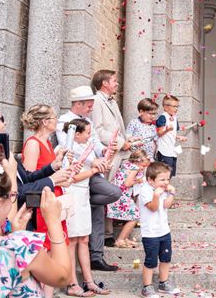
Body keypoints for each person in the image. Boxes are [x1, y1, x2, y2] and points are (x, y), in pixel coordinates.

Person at [0, 159, 71, 296]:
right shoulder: (18, 246)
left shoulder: (11, 243)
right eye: (11, 196)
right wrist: (54, 222)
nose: (13, 200)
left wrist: (13, 233)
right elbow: (63, 277)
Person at [57, 85, 122, 273]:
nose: (91, 108)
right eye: (88, 105)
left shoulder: (87, 121)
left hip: (93, 170)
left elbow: (94, 143)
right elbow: (70, 147)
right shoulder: (65, 121)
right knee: (113, 192)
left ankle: (96, 256)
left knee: (98, 209)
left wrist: (104, 151)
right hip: (79, 173)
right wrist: (96, 163)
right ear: (78, 104)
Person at [0, 104, 73, 209]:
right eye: (2, 119)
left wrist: (52, 166)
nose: (5, 122)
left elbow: (26, 177)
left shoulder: (0, 149)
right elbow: (16, 191)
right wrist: (52, 180)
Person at [21, 104, 70, 298]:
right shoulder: (33, 143)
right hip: (42, 200)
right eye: (54, 117)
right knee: (46, 249)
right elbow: (28, 179)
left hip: (53, 196)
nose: (56, 120)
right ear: (44, 122)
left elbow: (44, 169)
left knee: (54, 246)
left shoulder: (48, 143)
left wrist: (56, 164)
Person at [64, 119, 111, 296]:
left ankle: (89, 281)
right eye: (87, 132)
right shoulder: (69, 148)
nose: (90, 135)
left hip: (83, 193)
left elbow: (93, 167)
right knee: (73, 240)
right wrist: (92, 171)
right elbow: (71, 176)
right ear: (76, 134)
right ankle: (72, 283)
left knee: (84, 239)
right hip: (72, 193)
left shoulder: (86, 147)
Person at [90, 70, 131, 255]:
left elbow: (117, 129)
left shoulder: (112, 101)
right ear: (104, 83)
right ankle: (106, 234)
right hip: (109, 154)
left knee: (115, 190)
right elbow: (98, 131)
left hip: (118, 152)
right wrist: (122, 143)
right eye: (114, 80)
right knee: (107, 189)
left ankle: (109, 231)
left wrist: (128, 140)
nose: (117, 83)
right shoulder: (97, 101)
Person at [138, 161, 180, 297]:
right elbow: (153, 207)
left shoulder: (163, 190)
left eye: (168, 179)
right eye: (162, 179)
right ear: (150, 180)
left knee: (165, 258)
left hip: (164, 231)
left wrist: (171, 194)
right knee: (151, 260)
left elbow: (166, 205)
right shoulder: (145, 190)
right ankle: (147, 287)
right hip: (150, 234)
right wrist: (156, 195)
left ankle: (163, 283)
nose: (166, 182)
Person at [106, 149, 149, 248]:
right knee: (135, 216)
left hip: (118, 193)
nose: (143, 168)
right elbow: (127, 183)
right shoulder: (134, 168)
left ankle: (125, 238)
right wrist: (138, 180)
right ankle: (120, 239)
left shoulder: (126, 165)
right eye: (143, 166)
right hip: (122, 196)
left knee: (132, 216)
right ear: (138, 161)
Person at [155, 95, 186, 178]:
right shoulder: (163, 117)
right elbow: (159, 133)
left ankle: (167, 188)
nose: (176, 109)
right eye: (174, 106)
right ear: (165, 107)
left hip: (171, 150)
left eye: (177, 106)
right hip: (163, 150)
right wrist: (166, 130)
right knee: (163, 173)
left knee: (170, 173)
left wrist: (179, 137)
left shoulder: (175, 118)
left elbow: (172, 133)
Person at [126, 98, 159, 163]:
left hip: (149, 159)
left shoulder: (152, 127)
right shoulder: (134, 123)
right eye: (150, 113)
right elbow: (127, 138)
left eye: (154, 114)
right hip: (136, 159)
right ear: (141, 112)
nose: (153, 116)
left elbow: (155, 142)